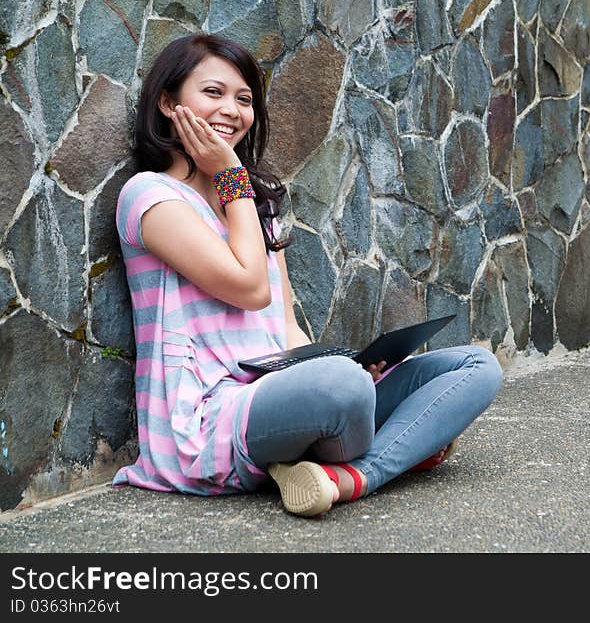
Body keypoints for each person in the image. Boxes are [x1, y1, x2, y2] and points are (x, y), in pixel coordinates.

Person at [112, 33, 503, 517]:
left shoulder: (256, 204)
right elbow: (252, 288)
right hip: (211, 418)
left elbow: (283, 323)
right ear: (169, 102)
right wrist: (230, 173)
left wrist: (339, 363)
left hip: (279, 394)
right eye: (213, 93)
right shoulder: (150, 197)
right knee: (346, 389)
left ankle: (345, 476)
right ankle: (391, 452)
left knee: (475, 367)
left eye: (244, 99)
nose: (231, 110)